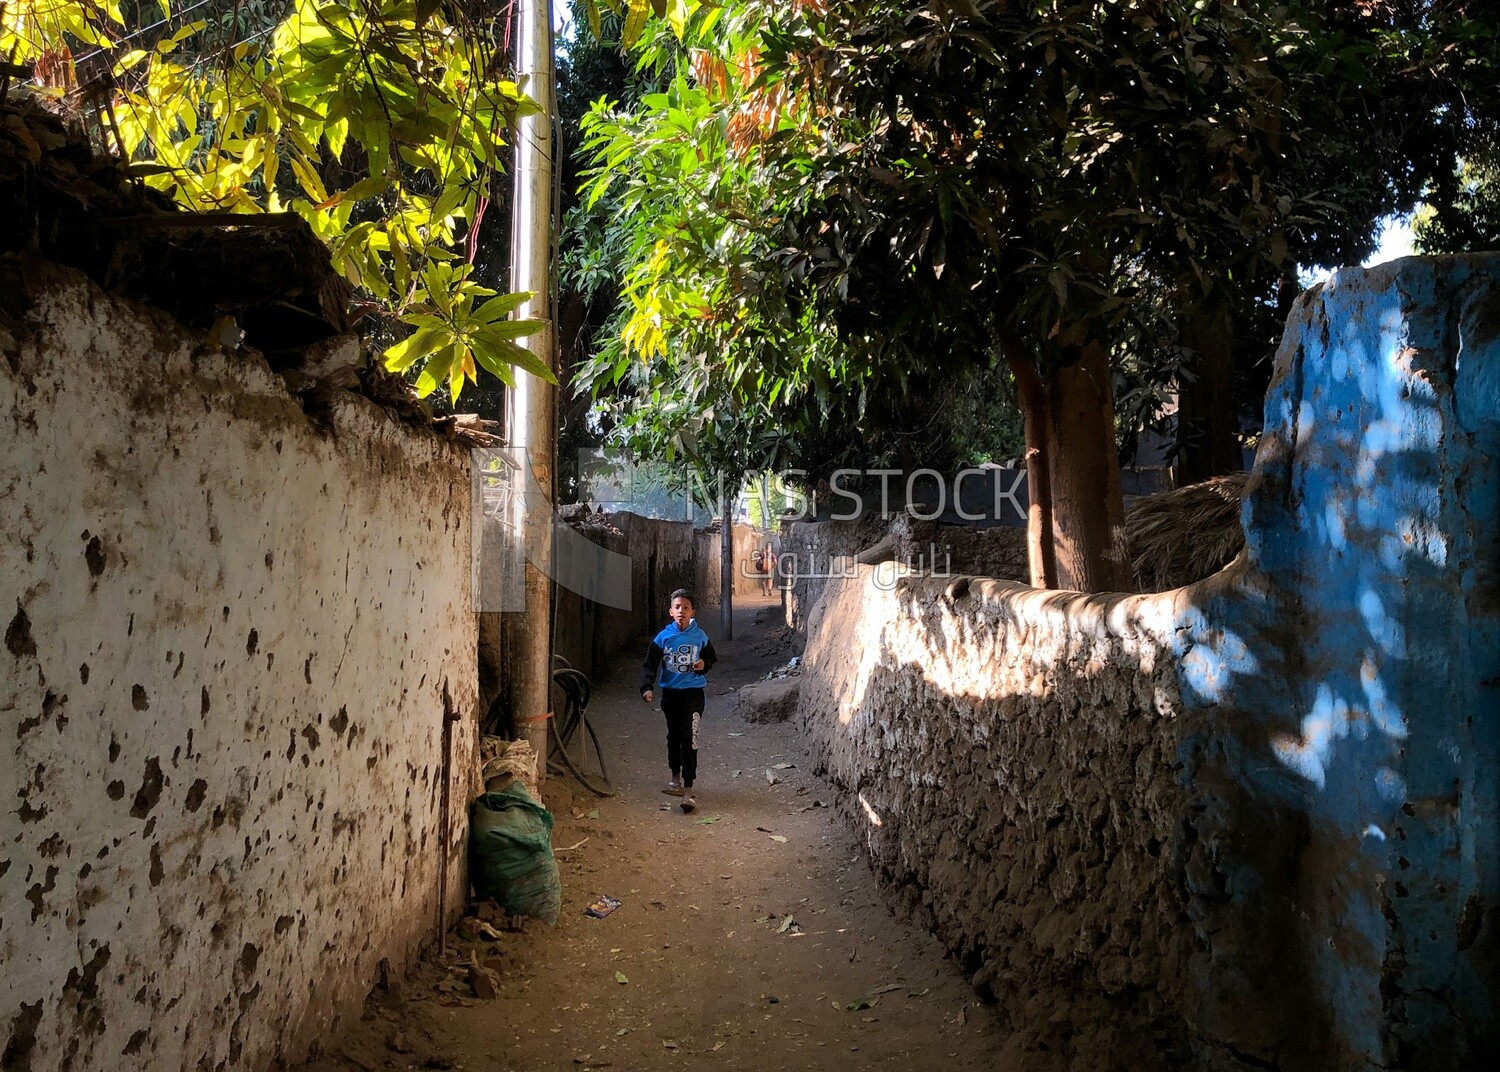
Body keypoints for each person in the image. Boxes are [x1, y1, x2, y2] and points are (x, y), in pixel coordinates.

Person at [640, 589, 718, 813]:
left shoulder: (700, 636)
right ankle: (675, 775)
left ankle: (688, 789)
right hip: (670, 696)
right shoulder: (663, 638)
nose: (681, 611)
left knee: (690, 737)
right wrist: (646, 687)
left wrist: (704, 664)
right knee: (673, 737)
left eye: (686, 607)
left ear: (692, 611)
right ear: (671, 612)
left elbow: (711, 657)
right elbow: (650, 664)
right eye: (677, 607)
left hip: (693, 695)